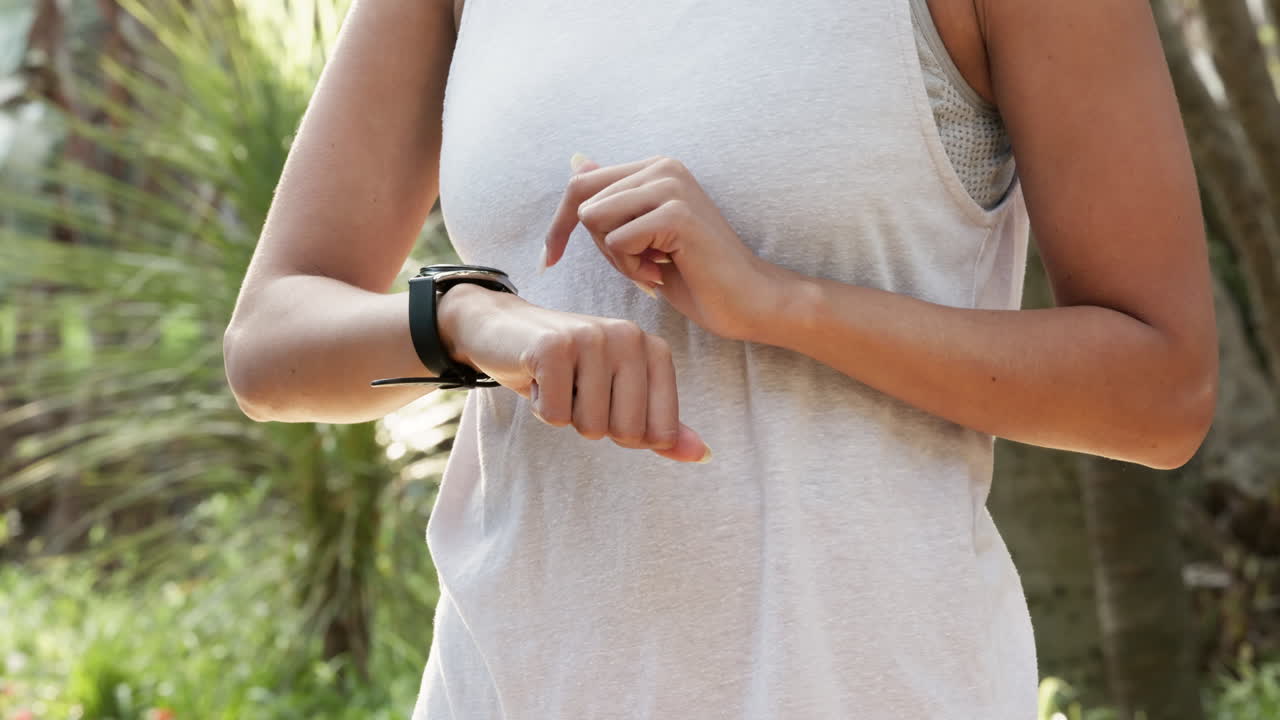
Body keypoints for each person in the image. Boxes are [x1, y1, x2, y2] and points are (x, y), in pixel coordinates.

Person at [222, 0, 1218, 717]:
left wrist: (788, 306)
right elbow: (269, 341)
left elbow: (1161, 388)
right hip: (504, 687)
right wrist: (475, 320)